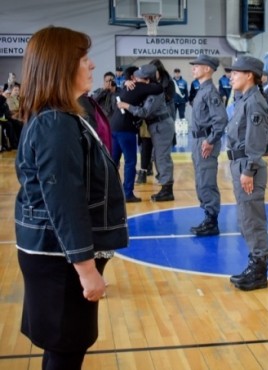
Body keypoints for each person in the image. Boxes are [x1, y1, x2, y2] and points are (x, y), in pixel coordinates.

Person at [15, 26, 128, 369]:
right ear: (61, 65)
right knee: (65, 350)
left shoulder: (61, 117)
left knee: (61, 347)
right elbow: (65, 201)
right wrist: (85, 269)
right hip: (59, 260)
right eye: (83, 58)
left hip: (55, 254)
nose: (92, 65)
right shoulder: (57, 124)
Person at [226, 56, 268, 291]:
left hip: (248, 167)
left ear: (249, 75)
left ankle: (259, 271)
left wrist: (248, 170)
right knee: (246, 219)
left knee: (253, 221)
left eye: (236, 72)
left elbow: (255, 142)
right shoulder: (243, 99)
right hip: (240, 165)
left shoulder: (255, 102)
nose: (231, 76)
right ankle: (255, 264)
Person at [117, 64, 176, 202]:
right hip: (156, 126)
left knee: (162, 157)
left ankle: (167, 190)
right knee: (157, 156)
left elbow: (144, 112)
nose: (136, 79)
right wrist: (127, 82)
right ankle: (165, 186)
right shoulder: (147, 89)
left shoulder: (155, 94)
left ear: (148, 80)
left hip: (162, 126)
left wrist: (126, 106)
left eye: (139, 78)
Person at [189, 54, 228, 236]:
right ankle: (208, 217)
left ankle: (212, 222)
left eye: (197, 65)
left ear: (207, 69)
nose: (193, 68)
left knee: (207, 182)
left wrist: (210, 140)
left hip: (206, 142)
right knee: (200, 181)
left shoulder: (210, 92)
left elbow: (220, 120)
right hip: (198, 141)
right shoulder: (201, 90)